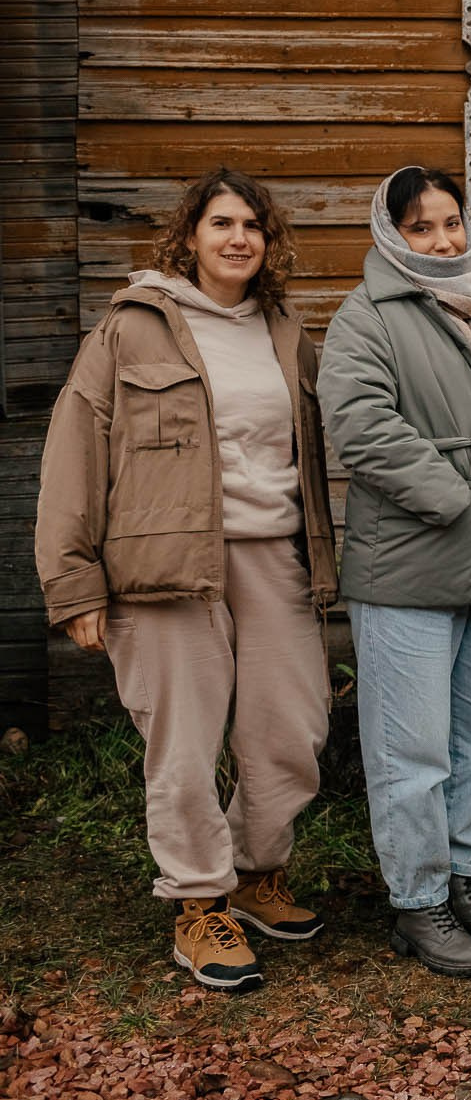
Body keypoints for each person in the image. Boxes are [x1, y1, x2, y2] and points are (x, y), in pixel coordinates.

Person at [35, 168, 336, 992]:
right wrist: (74, 586)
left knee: (293, 728)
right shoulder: (133, 328)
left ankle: (253, 872)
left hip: (274, 556)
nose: (238, 238)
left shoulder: (283, 330)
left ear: (268, 243)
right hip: (165, 570)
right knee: (184, 745)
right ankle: (198, 904)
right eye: (221, 224)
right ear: (190, 237)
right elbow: (75, 452)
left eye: (252, 226)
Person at [320, 166, 471, 979]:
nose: (443, 240)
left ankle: (462, 877)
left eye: (452, 223)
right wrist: (453, 497)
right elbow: (359, 425)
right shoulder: (369, 317)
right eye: (421, 227)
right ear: (392, 235)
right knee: (412, 746)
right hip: (409, 560)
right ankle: (417, 898)